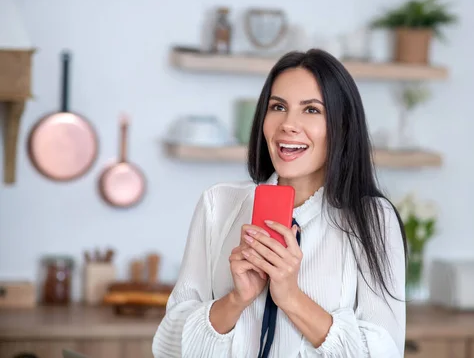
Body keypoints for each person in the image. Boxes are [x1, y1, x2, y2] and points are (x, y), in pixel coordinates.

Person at [152, 49, 407, 357]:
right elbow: (169, 347)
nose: (288, 124)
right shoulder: (218, 205)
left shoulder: (372, 220)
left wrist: (290, 296)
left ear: (342, 126)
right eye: (278, 107)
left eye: (311, 110)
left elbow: (384, 353)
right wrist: (236, 300)